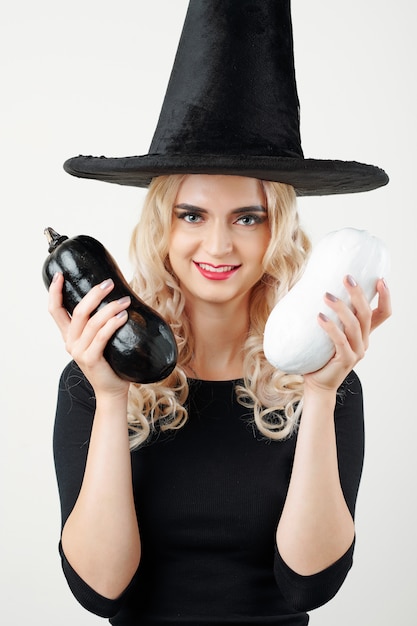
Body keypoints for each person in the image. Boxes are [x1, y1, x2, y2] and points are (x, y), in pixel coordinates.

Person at [48, 2, 392, 624]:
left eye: (247, 218)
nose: (217, 246)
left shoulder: (331, 383)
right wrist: (107, 396)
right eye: (192, 215)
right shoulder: (91, 381)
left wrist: (318, 396)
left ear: (277, 233)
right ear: (163, 227)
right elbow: (102, 591)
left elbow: (309, 585)